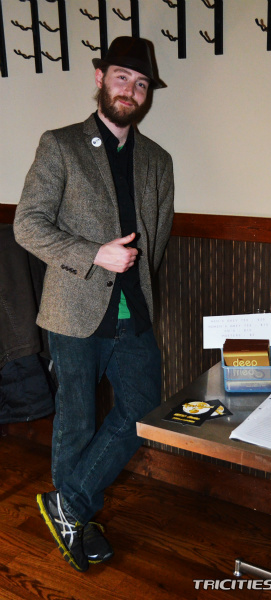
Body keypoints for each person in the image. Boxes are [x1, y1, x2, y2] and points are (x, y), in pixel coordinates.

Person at [13, 36, 174, 572]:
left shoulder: (158, 160)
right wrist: (94, 254)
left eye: (142, 83)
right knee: (76, 422)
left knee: (143, 408)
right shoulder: (60, 144)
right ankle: (75, 525)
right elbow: (27, 225)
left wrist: (135, 278)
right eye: (122, 77)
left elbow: (158, 235)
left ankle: (70, 504)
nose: (131, 90)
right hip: (73, 310)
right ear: (101, 78)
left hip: (134, 311)